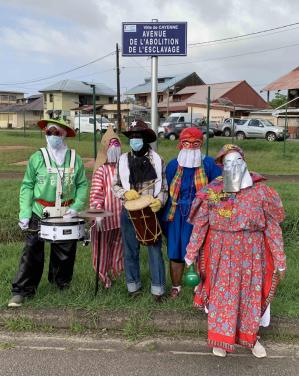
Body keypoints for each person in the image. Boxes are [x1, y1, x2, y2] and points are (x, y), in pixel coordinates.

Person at [185, 144, 286, 358]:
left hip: (252, 253)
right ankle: (221, 339)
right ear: (222, 166)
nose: (234, 166)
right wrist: (191, 253)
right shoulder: (214, 193)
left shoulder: (261, 192)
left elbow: (273, 229)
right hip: (221, 253)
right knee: (223, 295)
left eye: (238, 161)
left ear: (245, 162)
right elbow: (201, 224)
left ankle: (251, 339)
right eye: (228, 162)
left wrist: (280, 259)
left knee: (250, 295)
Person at [8, 118, 88, 308]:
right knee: (32, 250)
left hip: (66, 212)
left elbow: (82, 185)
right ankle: (22, 290)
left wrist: (76, 206)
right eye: (49, 133)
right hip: (40, 211)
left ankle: (61, 285)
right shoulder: (37, 158)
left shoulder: (74, 158)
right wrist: (25, 212)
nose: (52, 136)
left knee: (65, 251)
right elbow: (27, 185)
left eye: (57, 133)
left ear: (65, 134)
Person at [112, 120, 168, 302]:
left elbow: (164, 189)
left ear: (145, 139)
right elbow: (115, 185)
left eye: (138, 137)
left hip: (151, 212)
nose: (135, 140)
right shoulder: (122, 160)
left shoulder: (158, 161)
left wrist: (159, 202)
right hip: (128, 211)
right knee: (130, 250)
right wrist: (125, 193)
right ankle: (133, 286)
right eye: (132, 137)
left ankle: (158, 290)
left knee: (154, 249)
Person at [162, 127, 221, 298]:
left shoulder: (209, 164)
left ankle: (201, 287)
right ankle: (176, 286)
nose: (191, 147)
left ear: (201, 144)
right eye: (186, 143)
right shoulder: (173, 165)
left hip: (200, 214)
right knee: (175, 249)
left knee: (201, 250)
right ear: (180, 144)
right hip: (176, 214)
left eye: (195, 143)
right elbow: (166, 191)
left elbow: (217, 189)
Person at [89, 126, 123, 288]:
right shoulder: (101, 170)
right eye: (111, 146)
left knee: (119, 248)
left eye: (117, 145)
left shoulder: (124, 168)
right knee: (102, 250)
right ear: (105, 149)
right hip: (105, 219)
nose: (115, 149)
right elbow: (96, 193)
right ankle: (103, 278)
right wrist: (97, 212)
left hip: (122, 218)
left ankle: (118, 275)